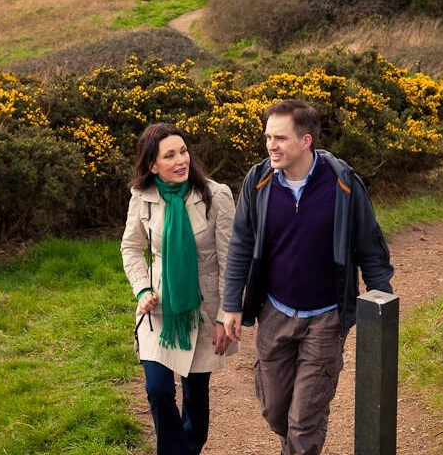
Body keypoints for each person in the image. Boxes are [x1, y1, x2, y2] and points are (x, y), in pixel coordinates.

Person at [222, 99, 394, 455]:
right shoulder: (258, 181)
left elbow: (370, 248)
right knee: (276, 413)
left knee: (303, 421)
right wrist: (231, 304)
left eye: (280, 138)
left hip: (326, 319)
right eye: (268, 137)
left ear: (306, 141)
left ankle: (305, 434)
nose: (271, 145)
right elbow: (240, 244)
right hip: (275, 312)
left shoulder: (343, 183)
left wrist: (382, 310)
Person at [121, 122, 236, 455]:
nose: (181, 160)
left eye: (183, 151)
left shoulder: (216, 195)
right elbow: (131, 247)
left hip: (203, 310)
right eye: (169, 155)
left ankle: (188, 447)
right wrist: (142, 289)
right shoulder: (142, 197)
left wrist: (224, 315)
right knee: (158, 390)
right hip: (159, 309)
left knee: (196, 397)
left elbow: (230, 260)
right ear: (153, 164)